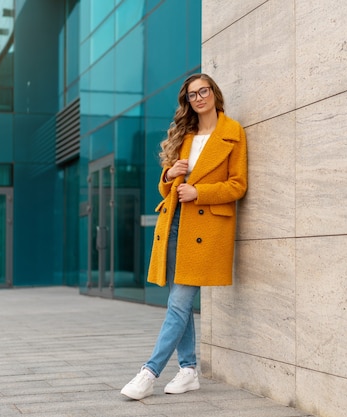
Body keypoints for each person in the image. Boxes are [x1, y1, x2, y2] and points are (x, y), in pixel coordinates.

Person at [120, 73, 248, 400]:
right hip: (177, 224)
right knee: (180, 299)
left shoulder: (233, 133)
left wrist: (200, 192)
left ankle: (149, 372)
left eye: (203, 91)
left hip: (206, 229)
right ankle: (189, 370)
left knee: (178, 303)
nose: (199, 98)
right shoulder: (186, 136)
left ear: (214, 94)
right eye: (192, 95)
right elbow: (169, 188)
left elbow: (238, 185)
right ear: (188, 101)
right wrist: (169, 174)